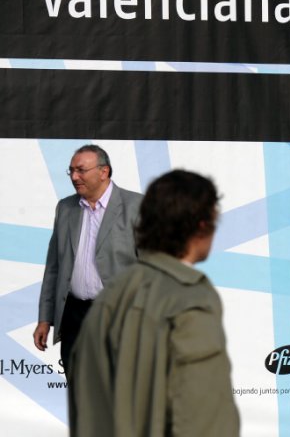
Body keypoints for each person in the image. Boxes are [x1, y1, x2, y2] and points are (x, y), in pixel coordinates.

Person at [68, 170, 240, 436]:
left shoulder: (110, 296)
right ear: (202, 226)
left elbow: (85, 405)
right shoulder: (190, 297)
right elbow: (202, 414)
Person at [33, 144, 142, 372]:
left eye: (81, 170)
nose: (74, 177)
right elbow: (54, 267)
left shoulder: (137, 207)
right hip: (73, 317)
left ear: (104, 172)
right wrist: (45, 318)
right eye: (71, 170)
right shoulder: (65, 208)